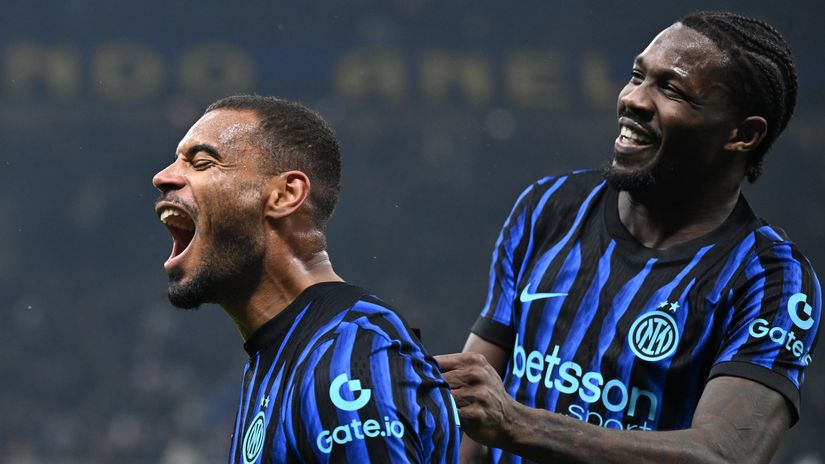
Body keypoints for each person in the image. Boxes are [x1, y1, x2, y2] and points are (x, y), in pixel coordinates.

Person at [435, 11, 821, 463]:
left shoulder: (770, 278)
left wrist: (516, 424)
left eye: (671, 89)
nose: (634, 99)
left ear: (743, 133)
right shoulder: (550, 207)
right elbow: (472, 415)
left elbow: (726, 455)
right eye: (637, 76)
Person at [152, 95, 459, 463]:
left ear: (285, 194)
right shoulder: (280, 355)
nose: (163, 177)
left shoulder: (348, 356)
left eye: (201, 162)